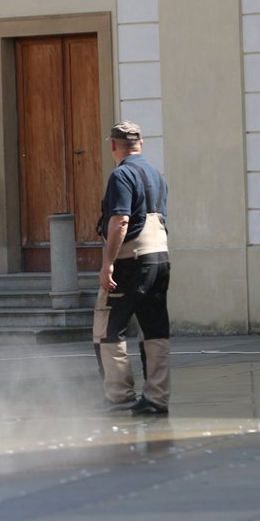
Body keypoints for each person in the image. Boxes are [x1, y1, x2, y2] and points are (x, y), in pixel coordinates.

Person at [93, 121, 172, 416]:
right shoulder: (156, 175)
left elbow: (120, 220)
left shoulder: (121, 175)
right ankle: (157, 397)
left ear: (113, 145)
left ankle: (118, 395)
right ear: (141, 143)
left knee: (109, 326)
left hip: (132, 258)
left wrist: (108, 262)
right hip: (160, 257)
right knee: (155, 327)